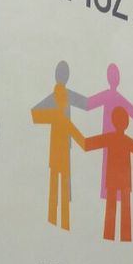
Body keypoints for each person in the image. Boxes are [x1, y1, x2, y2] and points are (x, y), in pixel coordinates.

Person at [84, 107, 133, 242]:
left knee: (111, 209)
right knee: (125, 210)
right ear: (126, 123)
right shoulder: (127, 140)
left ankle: (109, 236)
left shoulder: (110, 138)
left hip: (113, 180)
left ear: (113, 121)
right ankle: (125, 237)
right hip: (124, 181)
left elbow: (88, 144)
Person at [31, 83, 86, 230]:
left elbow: (35, 114)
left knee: (57, 189)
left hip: (58, 157)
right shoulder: (60, 117)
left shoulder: (55, 116)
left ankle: (56, 221)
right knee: (59, 189)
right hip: (61, 157)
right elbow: (82, 141)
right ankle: (60, 223)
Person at [86, 64, 133, 201]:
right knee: (113, 163)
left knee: (109, 163)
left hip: (109, 134)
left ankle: (108, 192)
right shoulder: (117, 97)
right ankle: (112, 192)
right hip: (111, 134)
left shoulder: (109, 95)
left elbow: (88, 103)